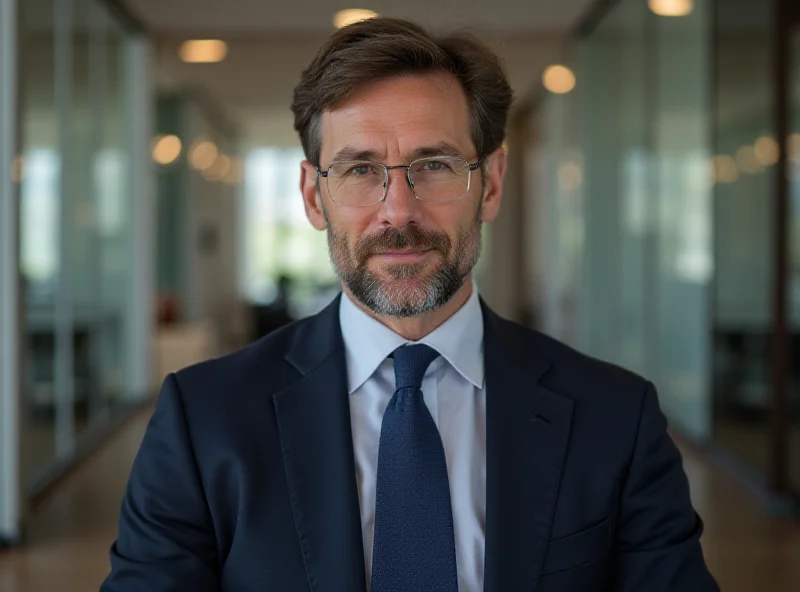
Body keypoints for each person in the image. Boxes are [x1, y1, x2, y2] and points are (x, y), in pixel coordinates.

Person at [100, 17, 719, 592]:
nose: (398, 211)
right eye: (360, 170)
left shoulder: (615, 417)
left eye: (435, 164)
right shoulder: (202, 419)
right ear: (314, 199)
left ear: (492, 184)